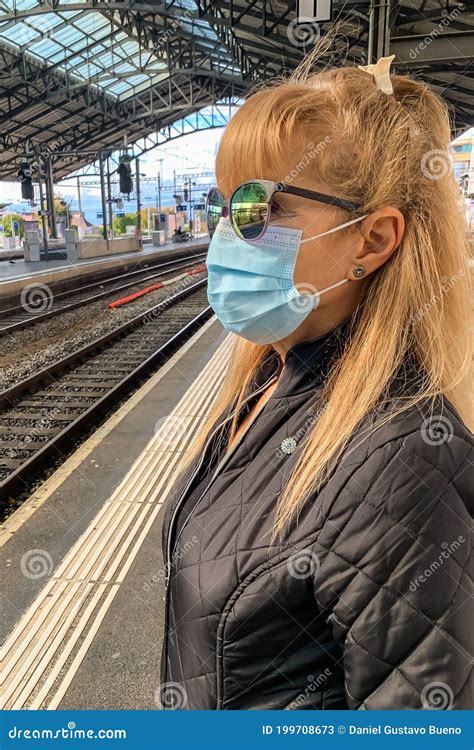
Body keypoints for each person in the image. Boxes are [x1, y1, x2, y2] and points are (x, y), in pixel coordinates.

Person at [159, 53, 472, 710]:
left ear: (373, 240)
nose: (229, 232)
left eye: (260, 205)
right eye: (224, 205)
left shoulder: (399, 459)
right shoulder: (269, 380)